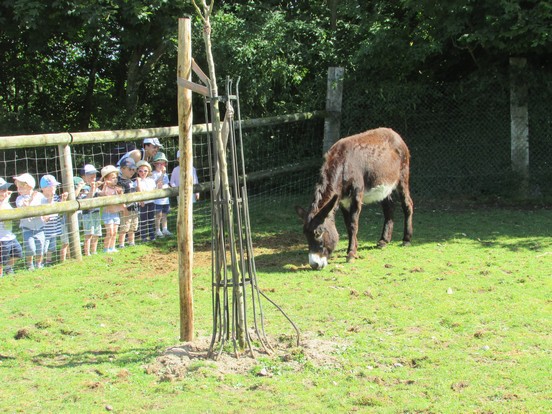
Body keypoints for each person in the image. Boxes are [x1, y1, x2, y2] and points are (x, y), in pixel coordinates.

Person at [14, 173, 47, 270]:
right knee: (30, 248)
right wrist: (29, 201)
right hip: (27, 227)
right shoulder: (19, 199)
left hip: (40, 227)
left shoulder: (40, 196)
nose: (18, 190)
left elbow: (45, 207)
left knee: (40, 247)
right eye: (17, 187)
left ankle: (39, 264)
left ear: (29, 186)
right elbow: (23, 209)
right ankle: (30, 265)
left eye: (20, 187)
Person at [40, 175, 69, 265]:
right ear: (45, 188)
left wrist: (63, 200)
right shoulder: (41, 199)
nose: (55, 188)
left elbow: (60, 208)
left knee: (52, 246)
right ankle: (40, 262)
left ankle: (48, 260)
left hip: (54, 226)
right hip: (45, 228)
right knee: (44, 246)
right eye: (53, 186)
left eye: (55, 186)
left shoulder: (56, 197)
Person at [98, 165, 125, 253]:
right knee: (110, 232)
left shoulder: (117, 189)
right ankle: (106, 248)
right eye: (112, 178)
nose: (115, 179)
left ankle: (112, 247)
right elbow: (104, 194)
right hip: (108, 213)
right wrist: (105, 185)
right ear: (106, 179)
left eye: (116, 177)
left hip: (115, 213)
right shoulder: (105, 189)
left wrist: (120, 192)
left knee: (115, 232)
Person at [0, 177, 23, 276]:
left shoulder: (6, 202)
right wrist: (5, 200)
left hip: (10, 235)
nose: (4, 193)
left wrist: (6, 200)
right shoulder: (3, 203)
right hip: (2, 238)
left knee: (18, 253)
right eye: (1, 191)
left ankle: (8, 268)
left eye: (5, 190)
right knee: (2, 260)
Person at [78, 164, 102, 256]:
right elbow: (87, 199)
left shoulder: (95, 186)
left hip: (96, 212)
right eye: (90, 174)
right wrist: (93, 188)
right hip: (88, 214)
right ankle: (87, 252)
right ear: (84, 177)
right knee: (89, 234)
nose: (93, 176)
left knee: (96, 233)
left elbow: (102, 194)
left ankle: (94, 251)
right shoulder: (83, 188)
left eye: (94, 174)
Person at [117, 158, 138, 249]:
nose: (132, 171)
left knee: (133, 226)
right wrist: (124, 207)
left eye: (134, 169)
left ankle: (131, 242)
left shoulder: (131, 181)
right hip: (125, 208)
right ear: (122, 169)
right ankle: (121, 244)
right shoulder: (120, 182)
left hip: (134, 206)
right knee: (124, 226)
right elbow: (120, 196)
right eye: (130, 169)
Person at [151, 152, 172, 237]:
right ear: (154, 164)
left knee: (164, 214)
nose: (160, 165)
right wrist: (162, 174)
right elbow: (157, 183)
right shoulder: (153, 173)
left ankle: (165, 229)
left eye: (162, 163)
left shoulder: (165, 174)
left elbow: (166, 184)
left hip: (165, 198)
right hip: (158, 200)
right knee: (158, 215)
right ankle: (157, 229)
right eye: (158, 163)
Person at [135, 160, 156, 242]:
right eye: (140, 171)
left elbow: (153, 190)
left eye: (145, 171)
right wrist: (138, 182)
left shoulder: (151, 180)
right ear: (137, 171)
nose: (143, 173)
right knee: (143, 220)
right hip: (142, 203)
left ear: (148, 171)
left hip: (151, 202)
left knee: (151, 219)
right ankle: (143, 237)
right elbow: (138, 191)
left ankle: (152, 236)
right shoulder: (136, 181)